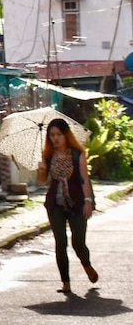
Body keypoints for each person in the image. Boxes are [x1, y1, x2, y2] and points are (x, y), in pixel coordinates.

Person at [36, 117, 98, 293]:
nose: (55, 138)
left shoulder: (78, 154)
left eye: (59, 134)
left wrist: (88, 201)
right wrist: (40, 170)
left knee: (78, 242)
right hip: (55, 205)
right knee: (60, 242)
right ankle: (66, 282)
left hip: (77, 203)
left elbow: (84, 179)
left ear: (66, 135)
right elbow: (41, 181)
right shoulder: (47, 156)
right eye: (52, 135)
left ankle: (86, 264)